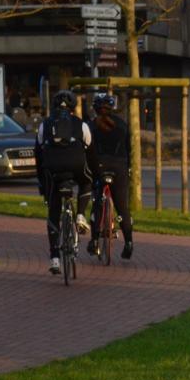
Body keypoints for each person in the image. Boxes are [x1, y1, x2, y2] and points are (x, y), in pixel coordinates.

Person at [35, 89, 93, 275]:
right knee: (86, 181)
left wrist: (42, 183)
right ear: (73, 107)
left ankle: (54, 258)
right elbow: (89, 149)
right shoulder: (81, 125)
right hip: (75, 166)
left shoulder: (45, 125)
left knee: (53, 209)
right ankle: (81, 215)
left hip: (52, 170)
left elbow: (38, 153)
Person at [86, 93, 134, 260]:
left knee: (97, 202)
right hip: (119, 167)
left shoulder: (91, 126)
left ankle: (94, 241)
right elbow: (129, 149)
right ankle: (129, 243)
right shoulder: (122, 125)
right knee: (123, 208)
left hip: (98, 166)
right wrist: (127, 168)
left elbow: (86, 149)